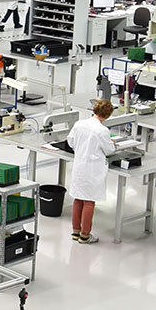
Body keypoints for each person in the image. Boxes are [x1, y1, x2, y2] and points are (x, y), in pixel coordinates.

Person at [67, 99, 117, 245]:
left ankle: (76, 231)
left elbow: (71, 141)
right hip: (93, 169)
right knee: (89, 201)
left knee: (78, 198)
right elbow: (109, 150)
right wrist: (111, 143)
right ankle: (85, 235)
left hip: (79, 166)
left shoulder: (79, 124)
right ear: (107, 115)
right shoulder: (102, 130)